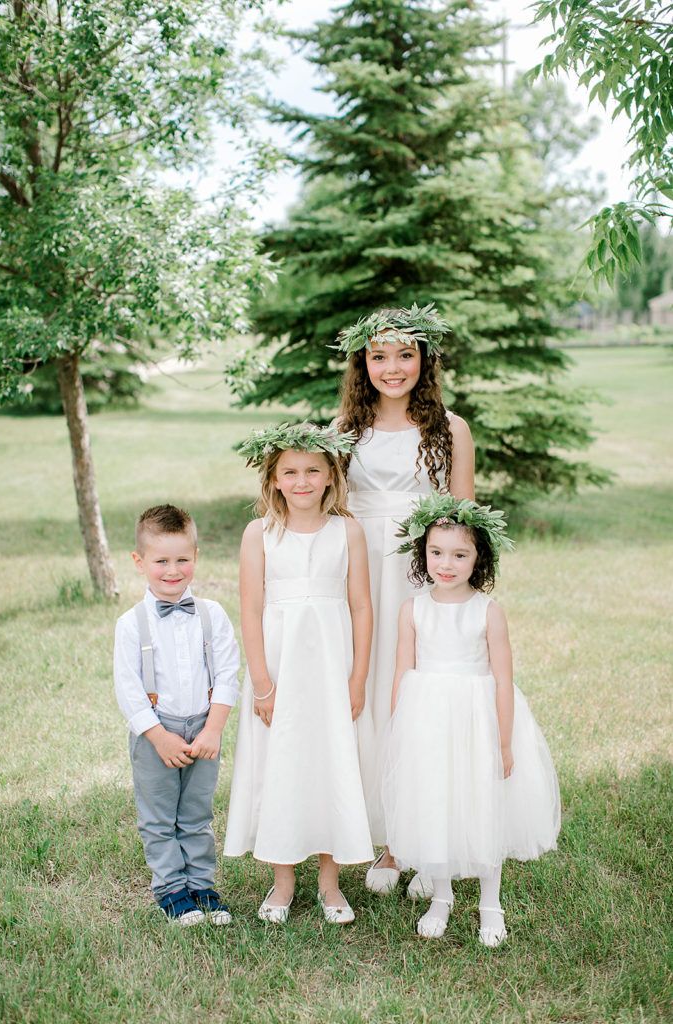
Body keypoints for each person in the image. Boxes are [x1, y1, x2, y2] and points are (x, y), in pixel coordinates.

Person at [335, 303, 475, 894]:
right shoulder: (342, 427)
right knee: (363, 690)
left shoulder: (450, 429)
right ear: (362, 363)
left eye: (405, 355)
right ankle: (370, 834)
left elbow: (464, 521)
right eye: (378, 356)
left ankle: (414, 841)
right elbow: (328, 507)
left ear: (426, 359)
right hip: (358, 573)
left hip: (422, 575)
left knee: (414, 693)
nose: (392, 368)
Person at [382, 493, 561, 945]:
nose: (446, 563)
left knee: (483, 805)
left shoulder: (488, 611)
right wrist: (400, 729)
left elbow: (502, 679)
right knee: (437, 801)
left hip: (479, 719)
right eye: (436, 552)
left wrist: (503, 742)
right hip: (428, 720)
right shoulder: (413, 609)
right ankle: (440, 896)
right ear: (423, 554)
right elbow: (403, 673)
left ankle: (490, 903)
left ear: (479, 558)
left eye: (460, 554)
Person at [224, 423, 375, 924]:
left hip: (333, 668)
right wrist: (262, 683)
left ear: (332, 476)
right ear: (273, 479)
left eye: (313, 470)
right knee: (282, 764)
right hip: (280, 670)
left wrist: (357, 681)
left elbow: (361, 608)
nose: (302, 480)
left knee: (332, 762)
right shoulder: (259, 534)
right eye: (290, 471)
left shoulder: (348, 531)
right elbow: (250, 610)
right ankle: (283, 882)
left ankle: (331, 884)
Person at [114, 504, 239, 926]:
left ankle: (202, 885)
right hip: (157, 732)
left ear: (196, 557)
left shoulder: (212, 615)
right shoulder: (131, 624)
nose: (172, 570)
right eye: (161, 561)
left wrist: (214, 729)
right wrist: (158, 736)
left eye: (182, 559)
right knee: (159, 816)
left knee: (197, 813)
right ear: (139, 562)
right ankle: (171, 890)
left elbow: (227, 674)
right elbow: (129, 689)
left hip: (204, 729)